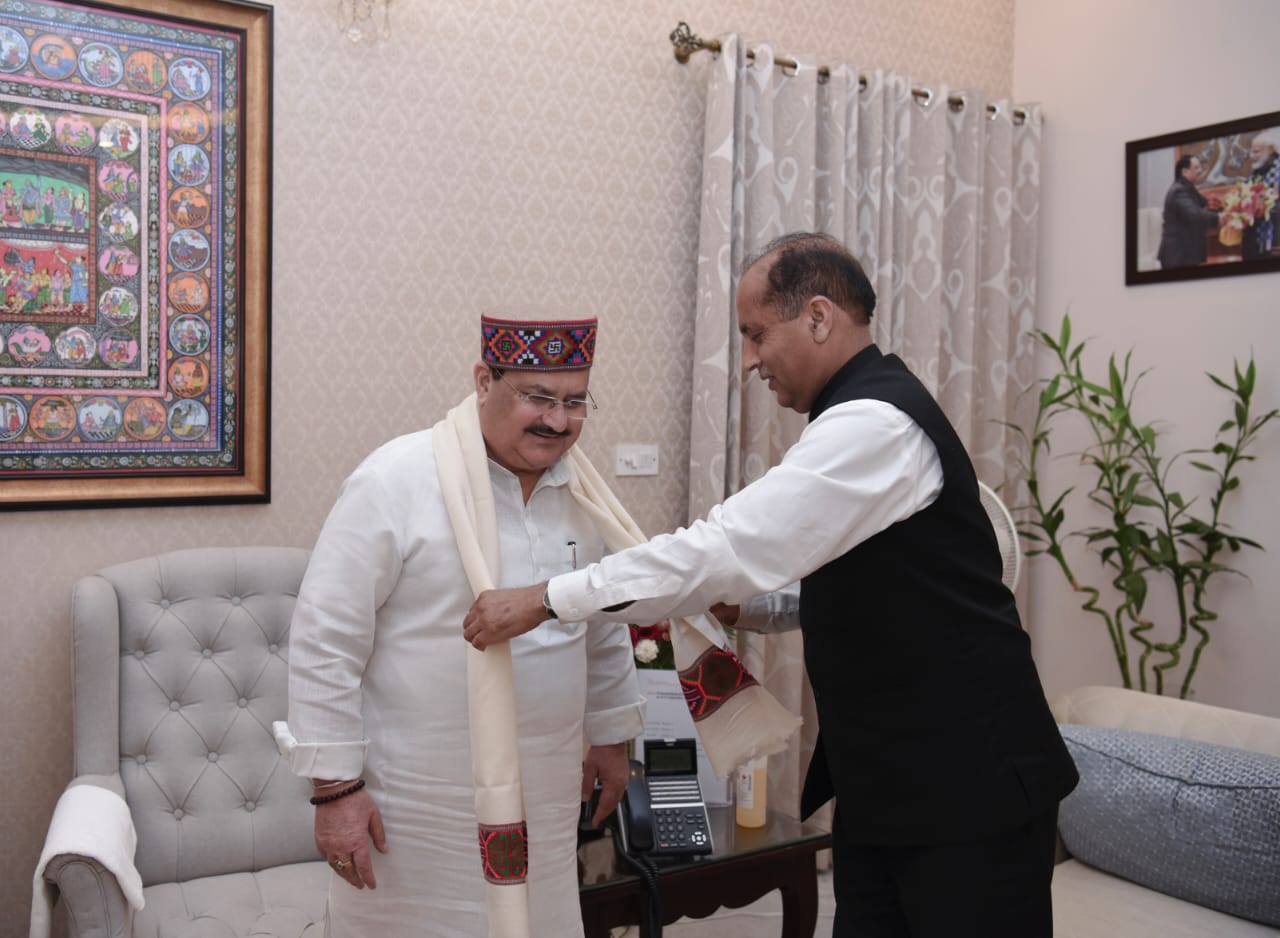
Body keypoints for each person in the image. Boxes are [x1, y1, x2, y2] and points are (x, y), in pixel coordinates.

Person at [464, 233, 1080, 938]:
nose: (750, 359)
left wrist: (547, 599)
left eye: (757, 334)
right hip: (891, 782)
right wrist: (755, 607)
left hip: (970, 784)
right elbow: (872, 578)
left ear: (818, 318)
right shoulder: (855, 417)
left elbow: (723, 546)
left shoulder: (874, 425)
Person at [276, 312, 645, 937]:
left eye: (575, 402)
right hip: (414, 811)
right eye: (538, 397)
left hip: (545, 801)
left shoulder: (585, 496)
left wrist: (611, 740)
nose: (557, 421)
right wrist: (335, 793)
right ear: (483, 379)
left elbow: (604, 626)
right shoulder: (396, 479)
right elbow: (325, 640)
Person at [1156, 154, 1219, 269]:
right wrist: (1219, 218)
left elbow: (1204, 202)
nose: (1200, 171)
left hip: (1185, 253)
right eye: (1196, 168)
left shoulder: (1187, 187)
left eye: (1200, 167)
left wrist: (1215, 203)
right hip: (1178, 256)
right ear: (1184, 172)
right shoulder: (1179, 191)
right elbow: (1195, 215)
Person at [1243, 129, 1280, 260]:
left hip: (1274, 240)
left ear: (1270, 150)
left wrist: (1267, 205)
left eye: (1256, 152)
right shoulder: (1256, 172)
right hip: (1253, 240)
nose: (1252, 156)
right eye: (1251, 152)